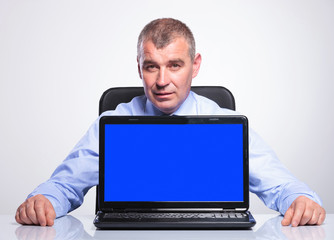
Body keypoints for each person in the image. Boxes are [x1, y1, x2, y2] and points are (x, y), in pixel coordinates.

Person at [16, 18, 326, 227]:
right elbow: (64, 183)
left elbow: (281, 184)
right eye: (152, 66)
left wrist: (301, 201)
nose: (162, 80)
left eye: (174, 65)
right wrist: (42, 201)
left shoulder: (227, 124)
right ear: (139, 69)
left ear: (195, 65)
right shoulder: (114, 122)